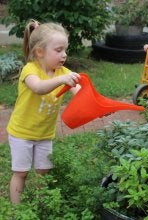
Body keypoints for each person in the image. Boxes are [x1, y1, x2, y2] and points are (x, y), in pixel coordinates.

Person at [7, 19, 81, 204]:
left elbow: (80, 93)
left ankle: (40, 205)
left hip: (45, 134)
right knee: (21, 172)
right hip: (21, 133)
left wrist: (96, 106)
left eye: (65, 49)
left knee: (43, 173)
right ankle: (18, 211)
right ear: (39, 52)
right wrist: (62, 79)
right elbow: (39, 87)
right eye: (58, 50)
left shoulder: (62, 72)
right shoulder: (29, 70)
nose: (64, 55)